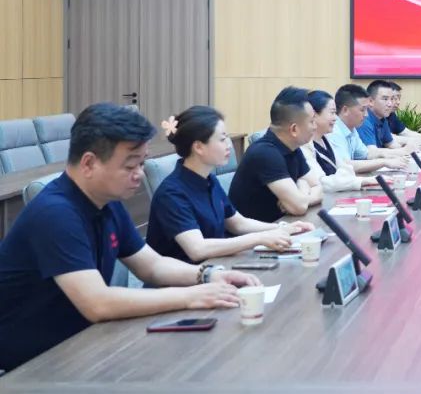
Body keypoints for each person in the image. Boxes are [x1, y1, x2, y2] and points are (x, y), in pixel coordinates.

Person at [0, 103, 259, 372]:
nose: (140, 174)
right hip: (28, 365)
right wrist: (191, 296)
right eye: (130, 165)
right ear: (89, 163)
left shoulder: (108, 203)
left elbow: (153, 266)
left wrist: (208, 275)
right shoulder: (56, 214)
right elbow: (97, 303)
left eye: (142, 163)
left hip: (79, 344)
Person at [146, 106, 314, 264]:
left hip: (217, 266)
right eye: (222, 139)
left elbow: (238, 223)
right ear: (198, 147)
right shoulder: (172, 193)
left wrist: (282, 228)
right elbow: (198, 249)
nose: (228, 145)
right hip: (184, 279)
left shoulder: (209, 180)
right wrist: (260, 238)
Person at [228, 86, 324, 223]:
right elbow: (299, 207)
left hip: (282, 226)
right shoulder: (265, 153)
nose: (315, 127)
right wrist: (300, 194)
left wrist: (301, 192)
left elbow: (319, 187)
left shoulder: (293, 148)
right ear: (294, 129)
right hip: (254, 234)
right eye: (312, 121)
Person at [302, 90, 405, 192]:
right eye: (332, 113)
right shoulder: (305, 145)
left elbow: (345, 167)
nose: (335, 118)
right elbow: (321, 182)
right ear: (313, 115)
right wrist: (363, 181)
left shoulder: (325, 138)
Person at [330, 84, 410, 170]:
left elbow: (367, 154)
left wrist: (388, 155)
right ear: (345, 110)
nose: (366, 115)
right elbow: (346, 165)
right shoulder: (334, 131)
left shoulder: (351, 128)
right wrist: (384, 162)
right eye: (362, 110)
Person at [358, 80, 412, 156]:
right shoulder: (363, 119)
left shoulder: (382, 118)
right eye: (385, 99)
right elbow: (372, 152)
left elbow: (390, 144)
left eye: (392, 99)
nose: (390, 104)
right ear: (370, 101)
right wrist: (404, 151)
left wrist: (409, 150)